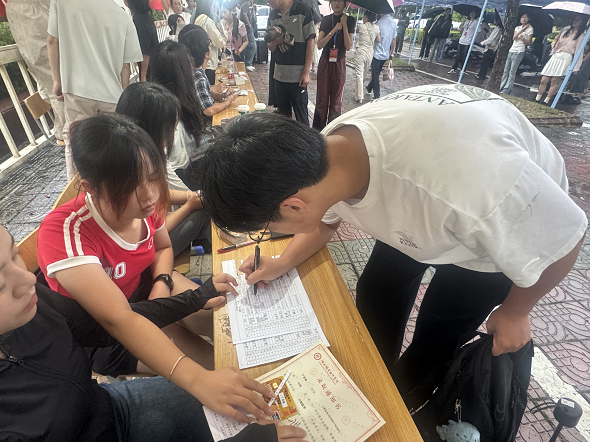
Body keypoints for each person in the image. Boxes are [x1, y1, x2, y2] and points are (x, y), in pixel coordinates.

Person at [195, 84, 587, 413]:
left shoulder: (466, 188)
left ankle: (404, 403)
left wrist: (517, 310)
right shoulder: (327, 154)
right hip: (430, 195)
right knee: (377, 291)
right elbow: (325, 220)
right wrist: (282, 261)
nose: (267, 235)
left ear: (294, 206)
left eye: (265, 231)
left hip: (495, 231)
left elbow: (567, 235)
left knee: (439, 327)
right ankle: (373, 382)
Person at [36, 113, 282, 425]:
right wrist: (197, 379)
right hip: (106, 335)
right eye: (129, 186)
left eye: (154, 176)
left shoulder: (145, 206)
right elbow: (119, 319)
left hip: (148, 293)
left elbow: (163, 248)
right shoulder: (65, 233)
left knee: (227, 324)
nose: (150, 195)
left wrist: (162, 282)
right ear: (90, 188)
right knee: (215, 366)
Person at [0, 225, 310, 441]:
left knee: (245, 402)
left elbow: (114, 320)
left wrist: (196, 299)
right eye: (0, 284)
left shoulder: (32, 305)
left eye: (15, 255)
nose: (27, 280)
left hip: (111, 408)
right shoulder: (66, 234)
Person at [47, 0, 143, 181]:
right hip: (112, 94)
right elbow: (126, 67)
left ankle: (79, 190)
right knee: (113, 147)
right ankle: (114, 186)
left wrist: (56, 80)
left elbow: (52, 41)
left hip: (77, 89)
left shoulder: (63, 3)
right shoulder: (122, 15)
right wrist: (122, 100)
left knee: (77, 144)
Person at [116, 82, 211, 256]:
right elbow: (151, 231)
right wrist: (189, 206)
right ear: (152, 127)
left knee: (204, 209)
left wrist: (191, 197)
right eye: (171, 125)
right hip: (144, 249)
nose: (175, 129)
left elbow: (162, 194)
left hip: (153, 236)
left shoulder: (146, 153)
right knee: (204, 216)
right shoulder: (134, 168)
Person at [6, 0, 65, 143]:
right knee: (57, 80)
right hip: (31, 7)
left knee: (56, 80)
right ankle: (69, 134)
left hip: (34, 7)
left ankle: (68, 133)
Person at [267, 0, 316, 125]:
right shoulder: (272, 15)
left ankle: (305, 139)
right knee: (283, 119)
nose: (268, 2)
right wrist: (276, 42)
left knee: (302, 117)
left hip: (298, 77)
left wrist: (306, 72)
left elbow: (311, 41)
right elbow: (270, 47)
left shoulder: (303, 9)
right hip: (279, 75)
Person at [178, 25, 239, 120]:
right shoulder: (199, 76)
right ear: (206, 53)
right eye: (209, 45)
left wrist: (222, 96)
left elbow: (205, 93)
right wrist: (227, 102)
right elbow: (208, 110)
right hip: (203, 124)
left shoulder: (196, 70)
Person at [312, 0, 354, 130]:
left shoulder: (350, 20)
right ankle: (318, 130)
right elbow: (319, 45)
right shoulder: (325, 20)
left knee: (336, 101)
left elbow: (348, 46)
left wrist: (345, 25)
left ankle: (332, 130)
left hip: (339, 62)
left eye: (340, 0)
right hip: (325, 61)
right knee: (322, 99)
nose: (336, 3)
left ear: (345, 3)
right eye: (334, 1)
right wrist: (334, 29)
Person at [534, 15, 589, 105]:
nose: (575, 22)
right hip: (556, 55)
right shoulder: (566, 30)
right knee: (544, 79)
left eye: (578, 20)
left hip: (566, 57)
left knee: (555, 80)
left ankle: (546, 101)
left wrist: (576, 67)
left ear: (582, 23)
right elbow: (555, 46)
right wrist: (556, 40)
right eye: (574, 19)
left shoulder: (581, 36)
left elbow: (578, 52)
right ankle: (537, 98)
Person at [193, 0, 227, 84]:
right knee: (210, 87)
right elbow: (219, 42)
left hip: (201, 62)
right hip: (209, 62)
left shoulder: (197, 19)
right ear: (209, 7)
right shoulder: (207, 21)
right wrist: (224, 30)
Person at [499, 13, 533, 94]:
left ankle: (507, 88)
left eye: (526, 17)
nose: (524, 19)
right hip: (512, 50)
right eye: (522, 17)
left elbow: (528, 43)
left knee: (512, 71)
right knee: (506, 70)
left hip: (519, 51)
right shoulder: (517, 27)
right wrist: (522, 30)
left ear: (529, 19)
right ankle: (501, 86)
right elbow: (514, 38)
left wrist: (522, 38)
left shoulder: (530, 29)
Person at [126, 0, 159, 81]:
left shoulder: (138, 19)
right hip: (154, 62)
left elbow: (145, 50)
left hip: (147, 68)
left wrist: (143, 76)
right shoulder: (146, 15)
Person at [366, 13, 396, 100]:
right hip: (386, 53)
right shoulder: (393, 23)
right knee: (377, 72)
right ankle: (369, 87)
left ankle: (377, 95)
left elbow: (374, 39)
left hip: (376, 53)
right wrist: (392, 52)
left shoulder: (377, 24)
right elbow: (394, 40)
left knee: (375, 75)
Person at [353, 11, 380, 104]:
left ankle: (359, 96)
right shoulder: (376, 27)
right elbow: (379, 40)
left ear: (365, 17)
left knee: (359, 73)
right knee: (364, 73)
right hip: (370, 52)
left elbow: (356, 31)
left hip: (361, 51)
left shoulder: (361, 26)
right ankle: (358, 92)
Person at [448, 9, 479, 74]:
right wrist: (461, 26)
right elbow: (462, 31)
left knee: (465, 56)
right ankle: (454, 68)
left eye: (473, 13)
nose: (472, 14)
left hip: (468, 41)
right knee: (458, 55)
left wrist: (473, 38)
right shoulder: (467, 21)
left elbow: (478, 31)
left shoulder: (476, 22)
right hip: (462, 40)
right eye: (471, 12)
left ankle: (463, 69)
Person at [239, 0, 257, 71]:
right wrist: (249, 24)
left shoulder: (248, 5)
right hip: (247, 27)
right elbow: (244, 14)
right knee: (252, 45)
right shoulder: (245, 5)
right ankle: (248, 63)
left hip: (247, 27)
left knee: (248, 45)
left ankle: (248, 63)